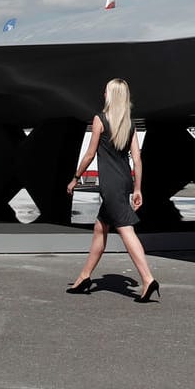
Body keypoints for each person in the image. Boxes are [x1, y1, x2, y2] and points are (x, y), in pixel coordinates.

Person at [64, 78, 158, 303]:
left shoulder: (100, 119)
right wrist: (137, 188)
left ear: (111, 95)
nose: (103, 94)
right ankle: (84, 277)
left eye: (106, 91)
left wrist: (75, 178)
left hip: (111, 185)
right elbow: (137, 159)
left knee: (126, 230)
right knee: (100, 228)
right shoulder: (129, 124)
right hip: (124, 181)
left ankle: (147, 279)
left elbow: (89, 154)